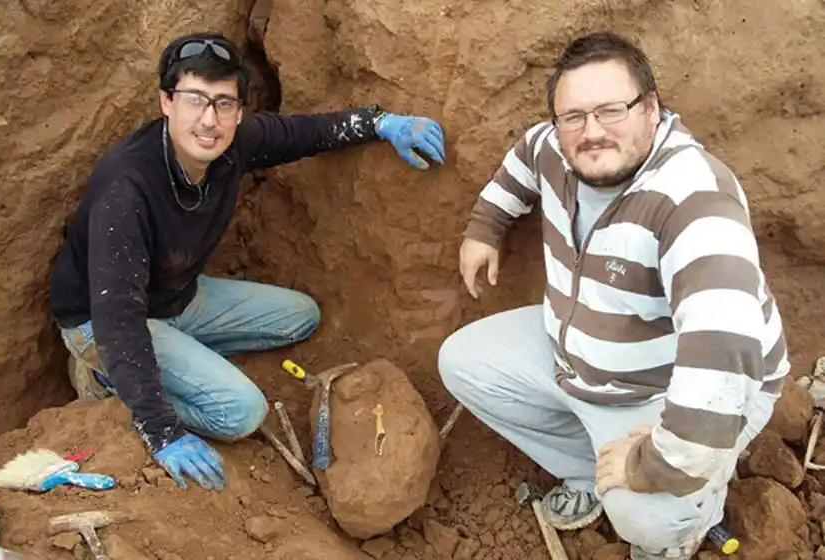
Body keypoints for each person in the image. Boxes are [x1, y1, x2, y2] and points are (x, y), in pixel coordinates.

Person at [437, 31, 789, 559]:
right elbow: (523, 158)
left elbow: (724, 368)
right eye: (573, 116)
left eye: (611, 110)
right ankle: (591, 470)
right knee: (463, 362)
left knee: (650, 514)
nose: (591, 131)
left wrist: (652, 465)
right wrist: (485, 226)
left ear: (651, 108)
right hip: (577, 354)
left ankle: (679, 530)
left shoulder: (694, 201)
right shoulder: (554, 147)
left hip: (662, 391)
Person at [49, 31, 446, 492]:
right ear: (166, 102)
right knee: (241, 412)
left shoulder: (233, 143)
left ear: (239, 111)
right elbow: (118, 316)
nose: (209, 119)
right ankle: (107, 382)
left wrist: (380, 123)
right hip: (102, 322)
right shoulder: (127, 188)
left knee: (301, 317)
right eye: (195, 99)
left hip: (176, 298)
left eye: (223, 103)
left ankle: (174, 356)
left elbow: (307, 133)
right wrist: (161, 430)